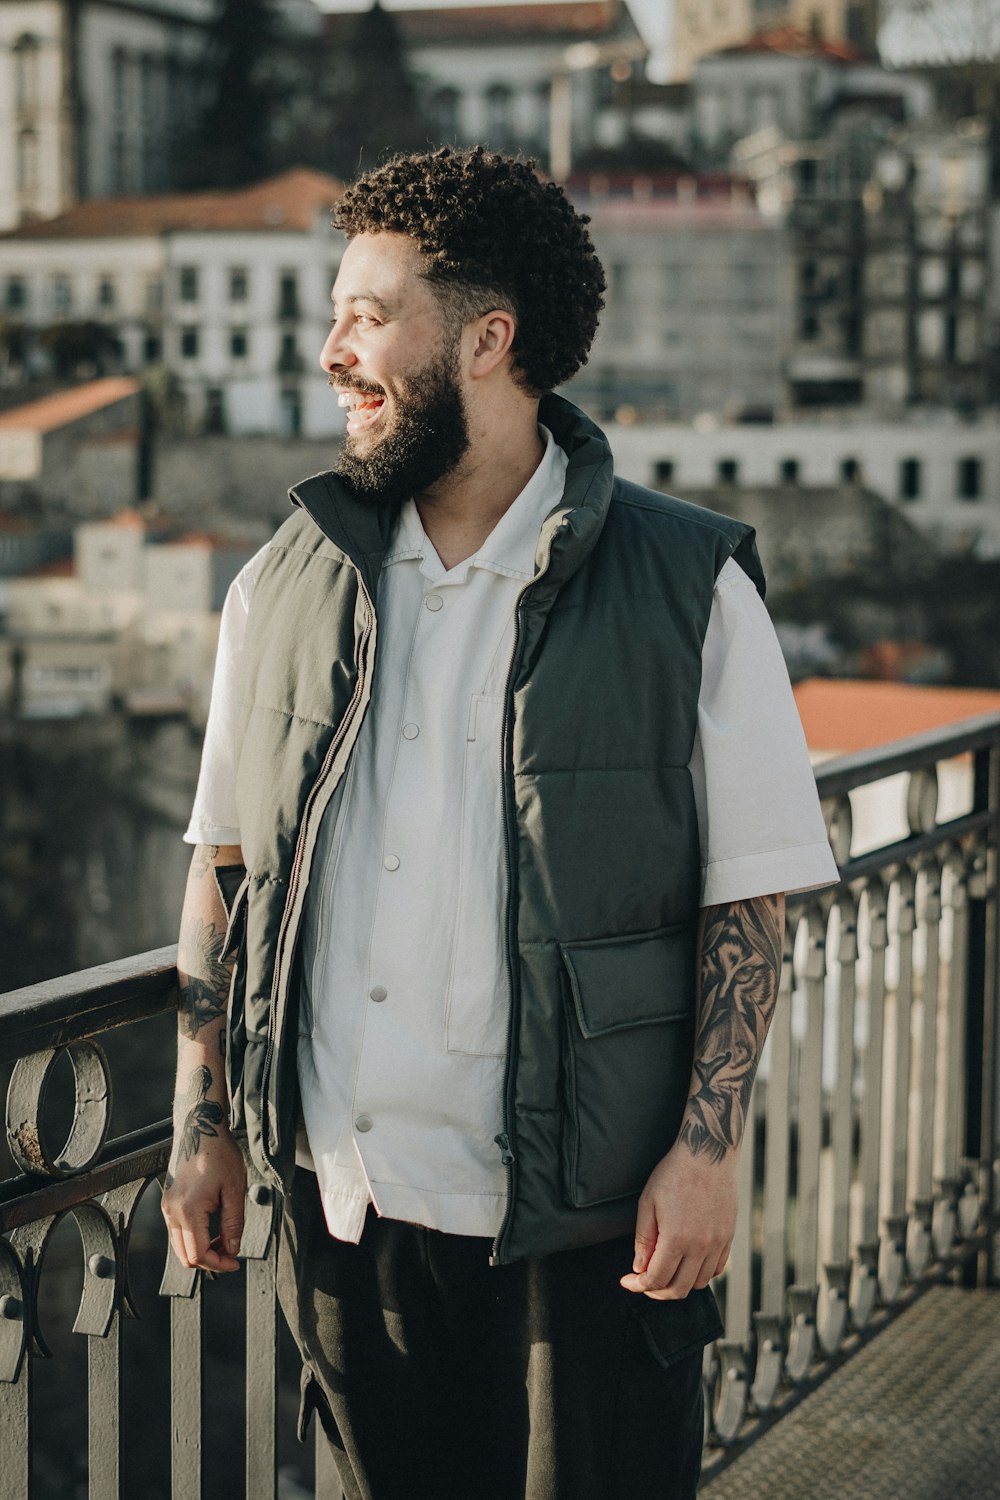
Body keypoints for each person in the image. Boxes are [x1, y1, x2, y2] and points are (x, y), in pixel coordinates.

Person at [162, 147, 838, 1499]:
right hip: (343, 1209)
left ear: (488, 339)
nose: (331, 350)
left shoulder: (689, 587)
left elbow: (749, 898)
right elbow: (225, 869)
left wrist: (709, 1152)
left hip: (582, 1230)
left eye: (367, 314)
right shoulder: (278, 586)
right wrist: (202, 1120)